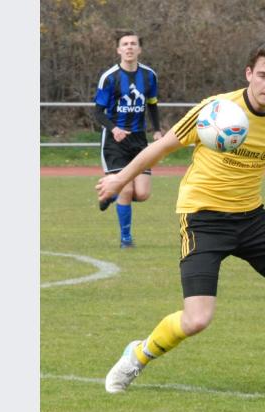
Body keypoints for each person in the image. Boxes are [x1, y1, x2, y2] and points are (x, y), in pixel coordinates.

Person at [96, 39, 265, 393]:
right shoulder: (215, 109)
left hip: (251, 217)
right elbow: (162, 146)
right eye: (262, 75)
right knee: (197, 319)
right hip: (203, 218)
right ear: (249, 73)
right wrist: (119, 179)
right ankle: (137, 354)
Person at [93, 29, 163, 248]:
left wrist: (157, 130)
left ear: (139, 49)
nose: (129, 47)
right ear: (118, 50)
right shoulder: (109, 77)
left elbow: (152, 104)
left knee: (142, 193)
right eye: (125, 44)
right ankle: (126, 239)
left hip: (139, 141)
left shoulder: (149, 76)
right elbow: (97, 112)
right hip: (114, 142)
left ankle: (110, 194)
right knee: (126, 188)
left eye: (133, 43)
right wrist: (114, 128)